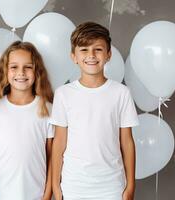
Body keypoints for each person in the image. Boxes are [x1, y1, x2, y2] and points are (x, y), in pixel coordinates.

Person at [51, 22, 139, 200]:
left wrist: (130, 186)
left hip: (111, 186)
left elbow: (127, 142)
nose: (91, 55)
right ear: (74, 56)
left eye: (98, 49)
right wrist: (55, 185)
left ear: (108, 55)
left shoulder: (121, 93)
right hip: (74, 185)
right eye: (84, 50)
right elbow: (59, 142)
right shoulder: (63, 94)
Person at [0, 41, 54, 200]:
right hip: (3, 196)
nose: (21, 72)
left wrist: (47, 196)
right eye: (14, 67)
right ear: (5, 71)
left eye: (28, 67)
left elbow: (52, 158)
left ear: (36, 71)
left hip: (37, 196)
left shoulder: (47, 109)